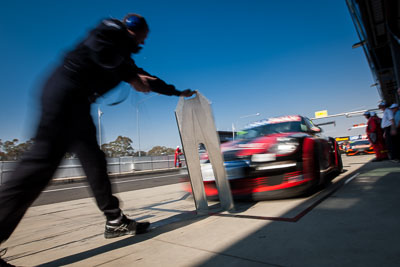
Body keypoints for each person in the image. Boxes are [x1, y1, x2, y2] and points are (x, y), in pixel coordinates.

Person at [0, 13, 195, 265]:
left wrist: (177, 92)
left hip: (78, 106)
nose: (143, 44)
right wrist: (133, 77)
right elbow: (99, 49)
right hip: (63, 95)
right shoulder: (111, 30)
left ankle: (115, 221)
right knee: (38, 168)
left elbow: (150, 80)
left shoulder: (124, 59)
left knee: (95, 163)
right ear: (135, 30)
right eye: (143, 37)